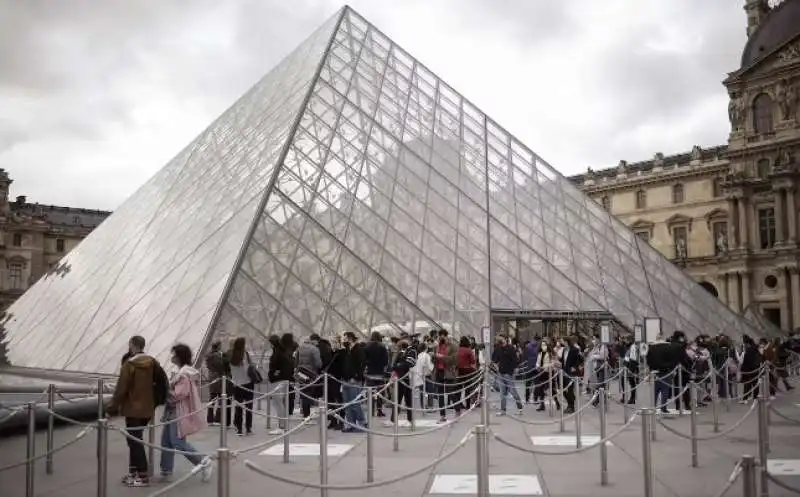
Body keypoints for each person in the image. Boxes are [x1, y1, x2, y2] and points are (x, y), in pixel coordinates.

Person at [107, 335, 168, 488]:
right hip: (147, 409)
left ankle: (142, 476)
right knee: (135, 440)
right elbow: (162, 383)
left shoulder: (130, 364)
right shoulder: (153, 362)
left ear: (132, 345)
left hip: (133, 409)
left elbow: (121, 390)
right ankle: (133, 473)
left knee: (134, 442)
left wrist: (111, 409)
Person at [158, 344, 213, 483]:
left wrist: (163, 390)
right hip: (174, 411)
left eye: (174, 354)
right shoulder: (184, 373)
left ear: (179, 357)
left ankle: (203, 461)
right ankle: (166, 470)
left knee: (177, 442)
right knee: (166, 441)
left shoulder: (183, 375)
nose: (172, 357)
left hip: (178, 411)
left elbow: (178, 395)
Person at [226, 337, 255, 436]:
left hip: (236, 384)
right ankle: (248, 428)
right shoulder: (245, 354)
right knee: (249, 407)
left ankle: (239, 429)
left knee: (238, 407)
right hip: (248, 383)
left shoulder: (230, 355)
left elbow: (228, 369)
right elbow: (251, 366)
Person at [267, 334, 294, 435]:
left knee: (278, 403)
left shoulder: (277, 353)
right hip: (284, 380)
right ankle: (283, 424)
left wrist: (273, 374)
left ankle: (281, 426)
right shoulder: (284, 351)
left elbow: (274, 367)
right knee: (281, 403)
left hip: (278, 381)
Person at [340, 331, 366, 432]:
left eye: (345, 338)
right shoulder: (346, 350)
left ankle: (361, 423)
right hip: (345, 379)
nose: (344, 340)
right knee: (347, 404)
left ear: (350, 338)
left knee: (355, 403)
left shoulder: (359, 349)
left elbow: (361, 365)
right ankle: (351, 424)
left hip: (354, 380)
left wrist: (355, 376)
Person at [492, 335, 523, 415]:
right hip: (501, 373)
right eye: (498, 339)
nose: (499, 340)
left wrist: (515, 370)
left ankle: (520, 407)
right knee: (502, 393)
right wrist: (497, 368)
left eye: (500, 338)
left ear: (505, 339)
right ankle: (503, 410)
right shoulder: (498, 349)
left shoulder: (511, 348)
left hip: (509, 374)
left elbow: (515, 360)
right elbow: (494, 361)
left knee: (513, 391)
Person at [205, 341, 230, 426]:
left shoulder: (209, 355)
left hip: (211, 378)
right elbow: (220, 366)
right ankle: (217, 419)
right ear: (218, 346)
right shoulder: (216, 356)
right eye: (220, 345)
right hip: (218, 378)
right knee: (220, 399)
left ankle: (210, 419)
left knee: (212, 399)